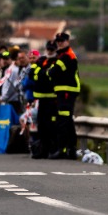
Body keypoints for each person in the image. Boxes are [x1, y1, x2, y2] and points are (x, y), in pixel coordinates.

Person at [48, 32, 81, 160]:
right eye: (58, 41)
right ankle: (70, 149)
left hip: (67, 91)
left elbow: (53, 71)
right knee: (66, 121)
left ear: (68, 41)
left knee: (63, 121)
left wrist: (51, 70)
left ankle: (63, 150)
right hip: (64, 91)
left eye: (62, 41)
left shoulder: (67, 56)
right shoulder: (62, 55)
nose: (59, 43)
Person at [29, 41, 58, 159]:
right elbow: (32, 74)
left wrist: (41, 74)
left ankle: (52, 149)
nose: (50, 51)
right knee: (41, 126)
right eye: (48, 49)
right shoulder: (41, 61)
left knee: (51, 125)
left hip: (53, 99)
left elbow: (51, 76)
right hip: (41, 100)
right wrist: (43, 74)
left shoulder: (57, 61)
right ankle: (43, 150)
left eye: (52, 49)